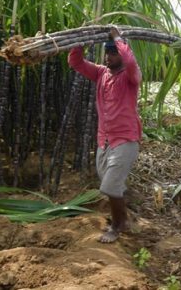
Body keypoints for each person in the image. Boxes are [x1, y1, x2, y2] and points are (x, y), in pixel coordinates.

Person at [68, 26, 142, 243]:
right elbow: (76, 63)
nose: (108, 57)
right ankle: (125, 215)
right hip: (105, 139)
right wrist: (80, 40)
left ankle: (118, 225)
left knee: (109, 186)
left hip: (126, 139)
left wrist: (117, 37)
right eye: (107, 53)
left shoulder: (131, 75)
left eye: (113, 53)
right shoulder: (101, 73)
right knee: (109, 181)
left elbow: (129, 61)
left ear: (121, 52)